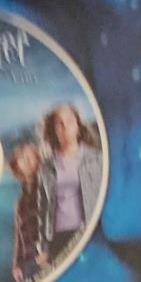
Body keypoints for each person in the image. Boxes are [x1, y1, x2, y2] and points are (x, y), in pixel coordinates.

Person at [40, 102, 104, 259]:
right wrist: (43, 247)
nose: (65, 127)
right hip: (57, 239)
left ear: (78, 126)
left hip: (88, 235)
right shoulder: (47, 167)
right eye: (59, 123)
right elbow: (43, 209)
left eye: (69, 121)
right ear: (53, 130)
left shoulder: (97, 160)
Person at [8, 138, 49, 282]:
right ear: (17, 165)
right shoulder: (20, 203)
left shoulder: (48, 191)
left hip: (47, 259)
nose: (26, 160)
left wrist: (49, 252)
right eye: (22, 157)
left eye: (30, 156)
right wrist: (17, 264)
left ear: (39, 161)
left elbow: (56, 224)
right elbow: (19, 236)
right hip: (29, 264)